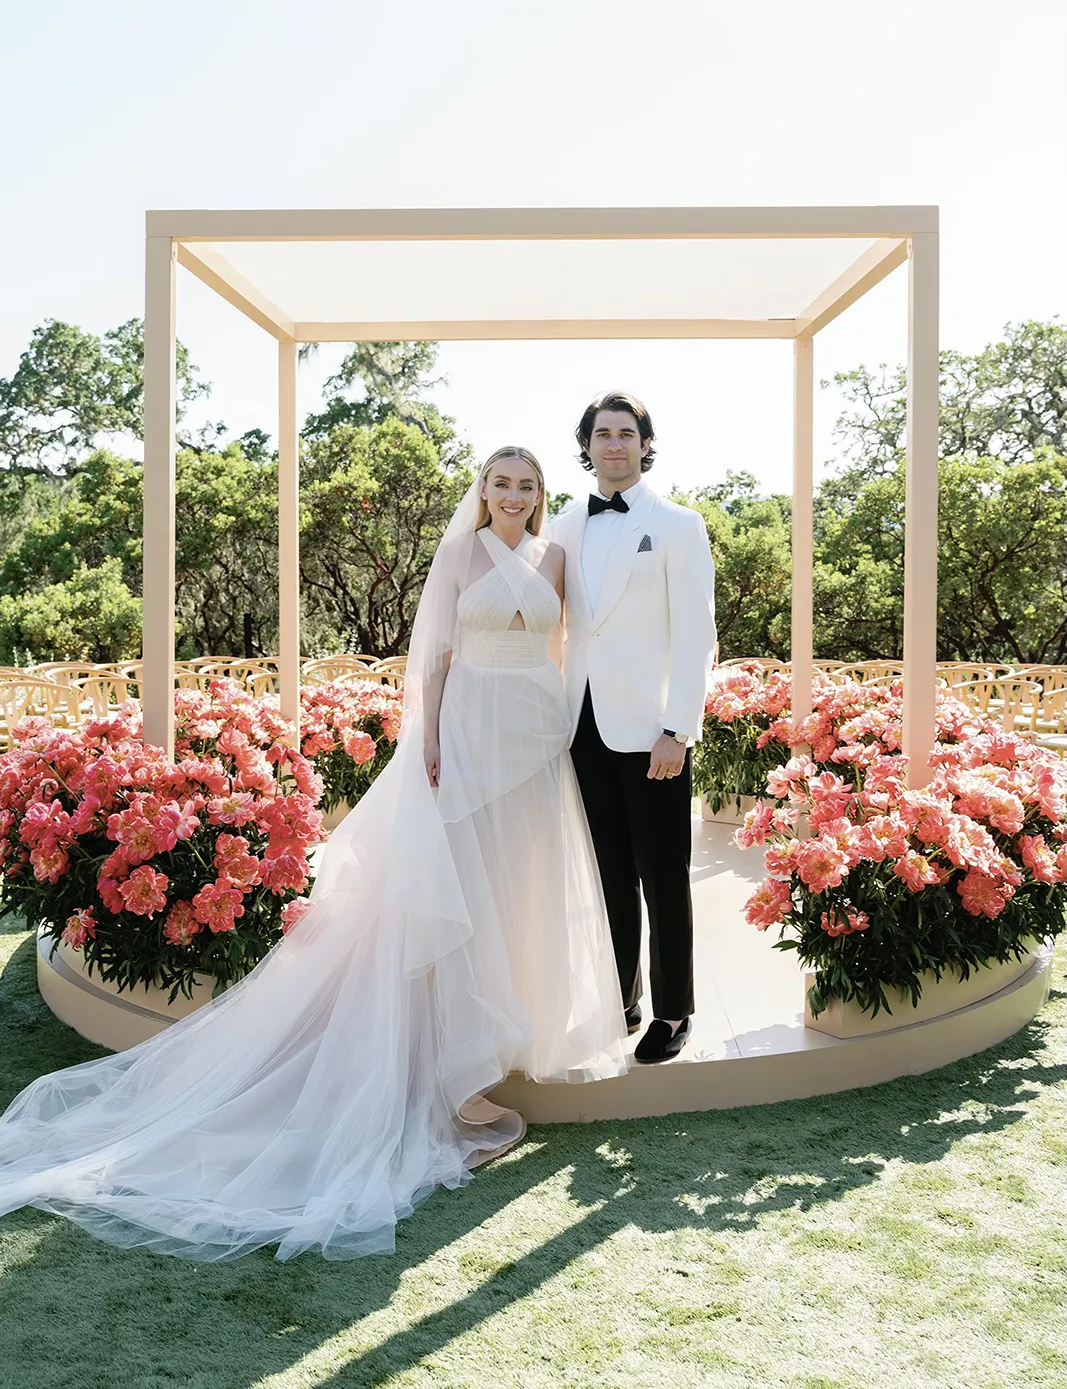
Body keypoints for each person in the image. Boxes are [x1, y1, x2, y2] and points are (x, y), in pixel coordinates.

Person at [0, 447, 627, 1264]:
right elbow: (433, 661)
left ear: (541, 495)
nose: (513, 496)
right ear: (482, 493)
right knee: (457, 886)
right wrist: (428, 743)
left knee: (517, 887)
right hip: (468, 732)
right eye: (500, 484)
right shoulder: (462, 551)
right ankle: (453, 1067)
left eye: (526, 485)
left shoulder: (554, 557)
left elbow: (562, 655)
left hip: (534, 742)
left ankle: (504, 1035)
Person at [552, 393, 717, 1065]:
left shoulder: (678, 524)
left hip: (652, 731)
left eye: (626, 434)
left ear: (644, 445)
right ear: (586, 445)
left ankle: (673, 1010)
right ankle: (620, 997)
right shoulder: (562, 522)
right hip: (578, 725)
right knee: (607, 875)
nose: (613, 444)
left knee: (662, 874)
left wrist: (677, 729)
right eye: (602, 434)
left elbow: (695, 636)